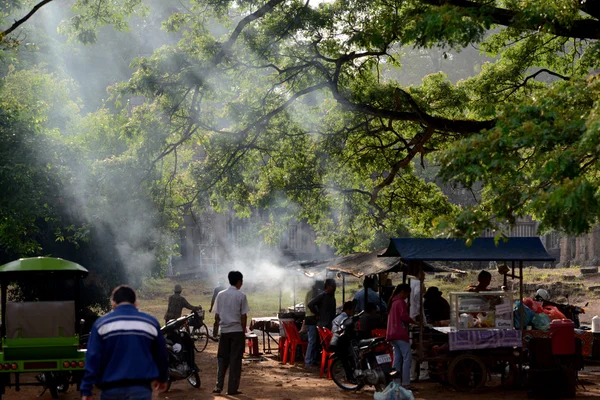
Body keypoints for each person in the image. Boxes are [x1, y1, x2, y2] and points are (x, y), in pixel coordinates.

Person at [80, 285, 169, 400]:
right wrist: (162, 378)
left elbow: (92, 357)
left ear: (113, 303)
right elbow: (161, 354)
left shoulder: (101, 324)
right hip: (140, 390)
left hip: (110, 391)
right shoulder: (150, 323)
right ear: (135, 303)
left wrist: (86, 389)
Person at [213, 271, 250, 395]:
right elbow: (243, 316)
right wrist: (243, 332)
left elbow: (217, 315)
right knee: (235, 360)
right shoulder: (241, 296)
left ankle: (218, 386)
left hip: (224, 331)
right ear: (239, 282)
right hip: (236, 331)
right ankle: (232, 389)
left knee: (222, 359)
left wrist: (220, 326)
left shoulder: (220, 295)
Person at [386, 283, 416, 389]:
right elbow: (404, 316)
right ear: (403, 292)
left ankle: (396, 382)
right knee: (407, 358)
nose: (407, 296)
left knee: (397, 358)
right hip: (400, 333)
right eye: (407, 294)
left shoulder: (393, 301)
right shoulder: (400, 302)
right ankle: (406, 383)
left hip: (391, 334)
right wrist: (414, 322)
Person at [303, 280, 323, 369]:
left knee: (314, 341)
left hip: (309, 318)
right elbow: (311, 305)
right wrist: (318, 314)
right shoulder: (314, 293)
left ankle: (312, 360)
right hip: (312, 318)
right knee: (312, 341)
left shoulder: (311, 292)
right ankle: (308, 362)